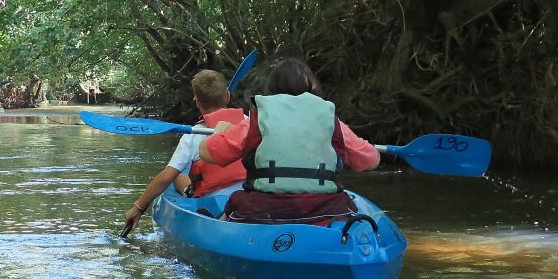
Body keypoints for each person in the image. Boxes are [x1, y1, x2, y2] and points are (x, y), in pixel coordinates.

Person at [198, 57, 379, 224]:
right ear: (313, 88)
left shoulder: (256, 120)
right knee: (347, 204)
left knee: (235, 203)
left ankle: (217, 225)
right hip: (324, 208)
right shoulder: (332, 122)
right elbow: (371, 160)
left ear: (272, 89)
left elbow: (208, 154)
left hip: (264, 208)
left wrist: (218, 134)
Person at [122, 70, 249, 234]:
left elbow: (165, 177)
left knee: (176, 176)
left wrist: (138, 208)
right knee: (180, 177)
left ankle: (189, 191)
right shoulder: (248, 123)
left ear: (196, 102)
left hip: (211, 203)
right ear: (227, 97)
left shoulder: (194, 135)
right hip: (247, 197)